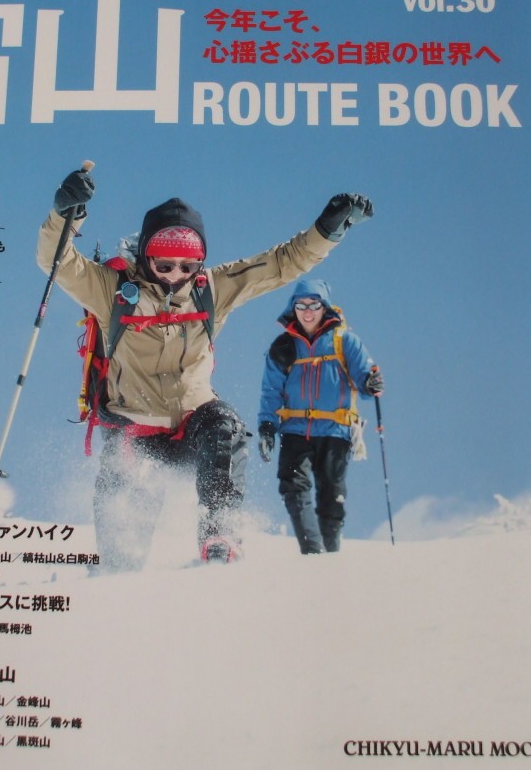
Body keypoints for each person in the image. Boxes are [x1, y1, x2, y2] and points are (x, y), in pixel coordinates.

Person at [39, 166, 373, 571]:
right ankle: (117, 569)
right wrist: (66, 214)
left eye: (187, 267)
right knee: (121, 556)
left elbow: (281, 263)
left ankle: (220, 533)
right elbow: (56, 261)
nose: (175, 277)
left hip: (192, 425)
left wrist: (327, 230)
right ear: (145, 257)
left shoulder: (212, 289)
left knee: (225, 427)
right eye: (164, 266)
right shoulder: (114, 293)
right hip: (133, 429)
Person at [257, 279, 383, 554]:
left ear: (324, 307)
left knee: (331, 496)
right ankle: (314, 553)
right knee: (293, 488)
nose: (307, 311)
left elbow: (365, 381)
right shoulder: (283, 346)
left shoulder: (344, 341)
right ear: (293, 308)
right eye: (301, 305)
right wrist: (267, 426)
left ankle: (330, 556)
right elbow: (271, 391)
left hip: (335, 430)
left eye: (314, 305)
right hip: (295, 430)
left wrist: (370, 382)